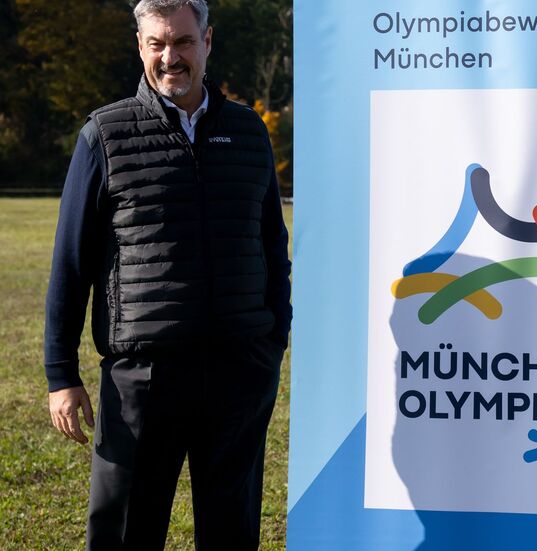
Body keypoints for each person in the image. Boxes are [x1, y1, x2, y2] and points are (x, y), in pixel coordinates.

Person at [44, 0, 291, 548]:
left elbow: (273, 243)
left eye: (181, 42)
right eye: (156, 43)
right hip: (143, 378)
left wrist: (272, 340)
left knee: (232, 532)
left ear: (207, 41)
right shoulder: (104, 135)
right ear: (140, 46)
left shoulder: (249, 132)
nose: (169, 57)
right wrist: (61, 373)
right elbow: (71, 260)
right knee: (126, 532)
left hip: (238, 371)